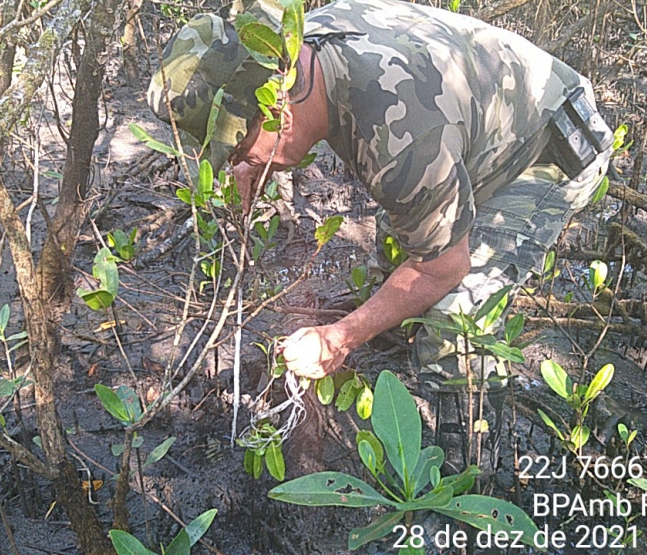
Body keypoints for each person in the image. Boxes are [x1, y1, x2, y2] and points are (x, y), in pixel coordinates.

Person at [147, 0, 613, 452]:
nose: (237, 160)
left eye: (238, 146)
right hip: (473, 128)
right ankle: (392, 344)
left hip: (548, 149)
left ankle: (466, 470)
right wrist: (255, 158)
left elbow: (443, 267)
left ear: (279, 113)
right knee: (400, 250)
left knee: (452, 319)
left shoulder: (401, 140)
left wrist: (340, 337)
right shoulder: (298, 50)